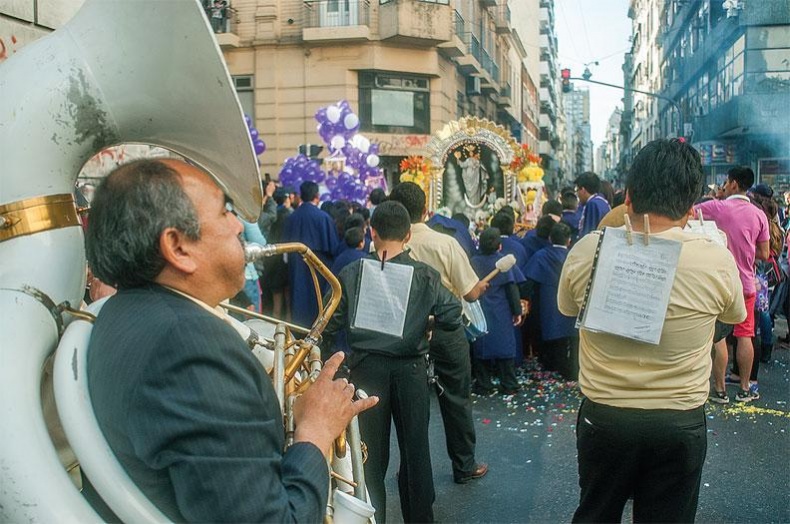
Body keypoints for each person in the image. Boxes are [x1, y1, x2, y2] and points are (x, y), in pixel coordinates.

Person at [84, 159, 377, 522]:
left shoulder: (125, 311)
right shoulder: (190, 347)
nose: (239, 225)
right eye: (225, 212)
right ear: (177, 247)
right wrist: (315, 431)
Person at [558, 139, 745, 522]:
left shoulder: (587, 251)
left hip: (605, 416)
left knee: (596, 514)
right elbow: (728, 321)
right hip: (678, 420)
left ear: (628, 198)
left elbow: (567, 308)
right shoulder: (715, 259)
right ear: (692, 208)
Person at [322, 201, 461, 523]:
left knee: (369, 456)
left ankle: (372, 518)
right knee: (416, 452)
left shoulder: (354, 271)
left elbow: (329, 322)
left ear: (372, 232)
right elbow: (453, 313)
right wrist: (426, 327)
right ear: (408, 234)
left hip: (367, 369)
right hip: (410, 369)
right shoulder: (425, 275)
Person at [388, 182, 490, 485]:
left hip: (404, 331)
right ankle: (464, 465)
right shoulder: (445, 243)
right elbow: (471, 293)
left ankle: (411, 469)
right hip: (445, 330)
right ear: (426, 210)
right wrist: (480, 286)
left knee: (409, 405)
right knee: (456, 398)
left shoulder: (386, 246)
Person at [696, 166, 770, 403]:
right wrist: (746, 251)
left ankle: (719, 390)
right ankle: (745, 389)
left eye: (726, 182)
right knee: (744, 335)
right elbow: (765, 252)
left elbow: (687, 214)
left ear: (735, 184)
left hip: (719, 283)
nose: (723, 186)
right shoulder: (759, 214)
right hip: (746, 284)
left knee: (719, 337)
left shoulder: (717, 207)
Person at [470, 228, 523, 395]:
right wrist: (517, 311)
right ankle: (509, 383)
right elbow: (512, 291)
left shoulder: (472, 262)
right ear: (500, 246)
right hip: (501, 311)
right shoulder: (504, 264)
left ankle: (483, 384)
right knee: (505, 349)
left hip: (480, 311)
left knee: (481, 349)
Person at [523, 222, 578, 380]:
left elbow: (528, 279)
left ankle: (553, 365)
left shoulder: (541, 255)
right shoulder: (573, 256)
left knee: (553, 334)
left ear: (549, 238)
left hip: (549, 300)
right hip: (570, 299)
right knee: (572, 336)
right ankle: (572, 369)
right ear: (568, 240)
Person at [282, 181, 340, 326]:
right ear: (317, 196)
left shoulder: (292, 217)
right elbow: (334, 247)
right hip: (320, 269)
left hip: (296, 268)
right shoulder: (323, 218)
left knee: (299, 303)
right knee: (318, 303)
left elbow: (284, 250)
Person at [575, 172, 611, 238]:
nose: (577, 194)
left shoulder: (592, 204)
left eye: (577, 190)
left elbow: (589, 233)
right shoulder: (602, 201)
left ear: (583, 190)